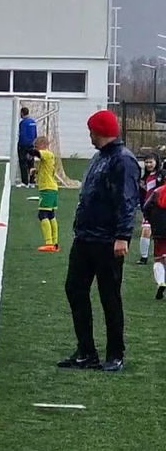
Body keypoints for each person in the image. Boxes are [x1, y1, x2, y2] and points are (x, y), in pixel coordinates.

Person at [58, 110, 138, 373]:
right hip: (85, 238)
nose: (89, 136)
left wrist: (123, 236)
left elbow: (127, 201)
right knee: (75, 289)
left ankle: (115, 354)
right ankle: (86, 351)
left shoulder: (123, 161)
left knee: (110, 297)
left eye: (92, 131)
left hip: (107, 241)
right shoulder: (100, 157)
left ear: (100, 131)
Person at [32, 135, 61, 253]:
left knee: (43, 214)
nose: (36, 149)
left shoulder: (47, 154)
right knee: (51, 215)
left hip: (47, 189)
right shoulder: (48, 157)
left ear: (43, 146)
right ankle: (54, 243)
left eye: (37, 146)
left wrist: (26, 148)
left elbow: (37, 154)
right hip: (52, 188)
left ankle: (49, 243)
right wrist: (36, 171)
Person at [143, 158, 166, 298]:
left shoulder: (157, 192)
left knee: (158, 258)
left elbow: (146, 208)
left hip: (159, 229)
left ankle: (161, 282)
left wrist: (151, 220)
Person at [137, 151, 160, 265]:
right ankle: (143, 257)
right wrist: (143, 206)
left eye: (151, 162)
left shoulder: (161, 176)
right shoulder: (144, 178)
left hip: (161, 209)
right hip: (149, 210)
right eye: (146, 162)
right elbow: (142, 194)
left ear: (156, 162)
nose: (148, 164)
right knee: (146, 231)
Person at [18, 107, 38, 187]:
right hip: (31, 145)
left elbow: (22, 134)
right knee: (31, 163)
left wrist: (20, 144)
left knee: (23, 163)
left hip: (24, 145)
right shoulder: (33, 122)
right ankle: (32, 182)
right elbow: (35, 134)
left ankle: (25, 182)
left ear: (22, 113)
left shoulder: (23, 123)